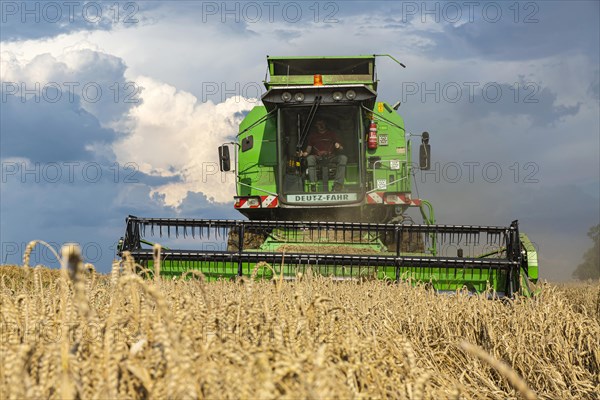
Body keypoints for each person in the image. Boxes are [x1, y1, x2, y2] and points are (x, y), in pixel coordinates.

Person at [300, 118, 347, 192]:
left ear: (325, 124)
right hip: (318, 158)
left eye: (322, 123)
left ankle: (338, 184)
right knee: (310, 158)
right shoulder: (313, 136)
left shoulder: (332, 134)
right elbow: (308, 149)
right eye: (319, 124)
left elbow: (341, 147)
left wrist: (338, 146)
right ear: (316, 126)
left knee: (343, 158)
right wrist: (304, 154)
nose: (321, 125)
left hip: (331, 157)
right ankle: (313, 184)